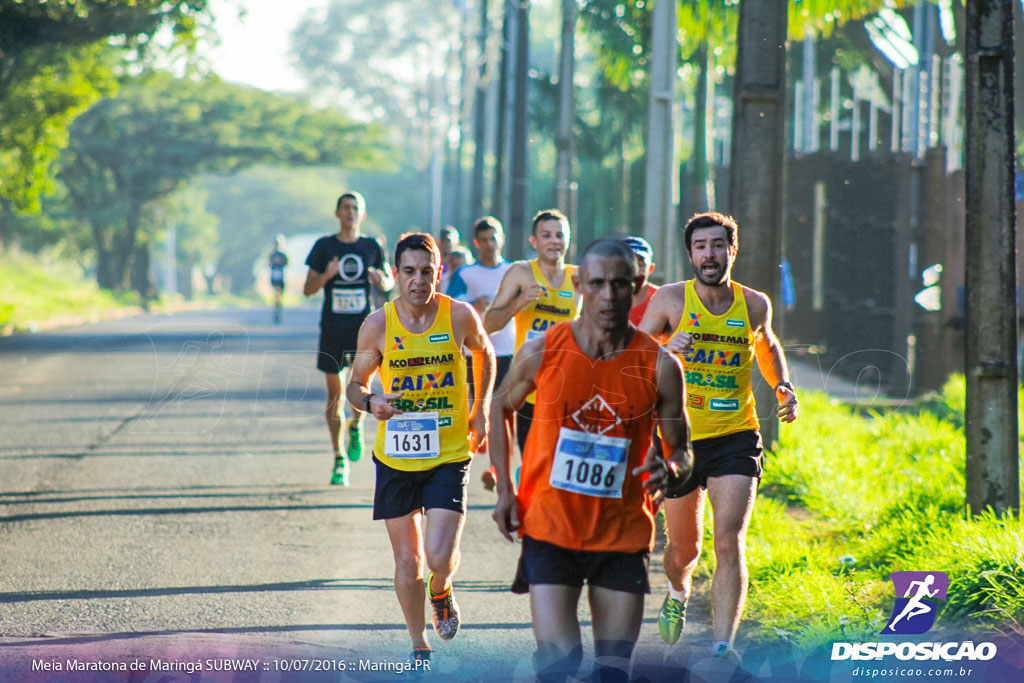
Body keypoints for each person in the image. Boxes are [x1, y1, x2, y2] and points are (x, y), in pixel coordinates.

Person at [490, 238, 693, 683]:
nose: (608, 295)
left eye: (619, 284)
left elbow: (682, 450)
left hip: (622, 533)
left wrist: (672, 467)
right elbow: (501, 407)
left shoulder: (660, 366)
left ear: (637, 285)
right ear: (579, 283)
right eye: (597, 283)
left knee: (614, 671)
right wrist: (506, 489)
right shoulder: (543, 349)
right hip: (549, 525)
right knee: (558, 661)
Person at [638, 211, 799, 660]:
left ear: (733, 250)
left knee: (729, 539)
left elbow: (766, 344)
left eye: (717, 245)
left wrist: (781, 383)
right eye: (700, 246)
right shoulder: (670, 301)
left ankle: (721, 646)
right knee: (683, 549)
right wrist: (666, 349)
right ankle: (677, 590)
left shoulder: (753, 303)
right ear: (690, 254)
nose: (709, 254)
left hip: (736, 435)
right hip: (678, 438)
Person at [346, 232, 496, 666]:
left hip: (449, 453)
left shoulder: (459, 316)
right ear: (395, 274)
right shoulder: (377, 325)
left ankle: (442, 587)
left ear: (439, 272)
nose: (418, 280)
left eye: (426, 272)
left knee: (438, 557)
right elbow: (356, 388)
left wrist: (480, 409)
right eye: (409, 272)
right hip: (395, 457)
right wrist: (371, 402)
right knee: (407, 560)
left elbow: (484, 354)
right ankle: (418, 642)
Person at [304, 192, 394, 486]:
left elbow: (391, 282)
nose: (351, 212)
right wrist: (326, 275)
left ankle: (356, 425)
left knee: (361, 389)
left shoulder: (371, 246)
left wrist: (384, 282)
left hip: (364, 330)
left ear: (362, 215)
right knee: (335, 396)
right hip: (332, 329)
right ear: (337, 212)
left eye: (356, 208)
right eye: (346, 207)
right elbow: (307, 289)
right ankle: (339, 457)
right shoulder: (324, 246)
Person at [484, 209, 580, 455]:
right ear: (534, 241)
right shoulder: (521, 272)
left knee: (562, 465)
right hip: (530, 385)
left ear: (569, 239)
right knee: (532, 460)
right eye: (546, 235)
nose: (554, 241)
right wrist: (519, 303)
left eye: (560, 235)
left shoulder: (580, 277)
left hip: (566, 385)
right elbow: (488, 324)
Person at [446, 217, 516, 490]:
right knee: (477, 411)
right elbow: (449, 304)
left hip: (509, 350)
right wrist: (472, 303)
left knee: (503, 413)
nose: (489, 244)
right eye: (483, 240)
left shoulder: (513, 271)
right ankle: (461, 465)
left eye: (493, 238)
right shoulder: (465, 274)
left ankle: (497, 471)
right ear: (476, 243)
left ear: (502, 238)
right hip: (475, 352)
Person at [622, 236, 658, 326]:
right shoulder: (602, 299)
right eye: (628, 264)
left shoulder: (661, 298)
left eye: (641, 264)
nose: (635, 270)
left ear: (650, 268)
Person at [269, 234, 289, 324]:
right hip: (274, 277)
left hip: (281, 277)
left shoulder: (282, 255)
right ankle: (276, 310)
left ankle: (277, 309)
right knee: (276, 294)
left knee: (279, 296)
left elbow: (287, 263)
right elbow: (269, 264)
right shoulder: (272, 255)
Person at [438, 225, 461, 293]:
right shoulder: (436, 265)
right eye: (444, 241)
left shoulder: (464, 262)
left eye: (449, 241)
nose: (447, 244)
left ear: (457, 241)